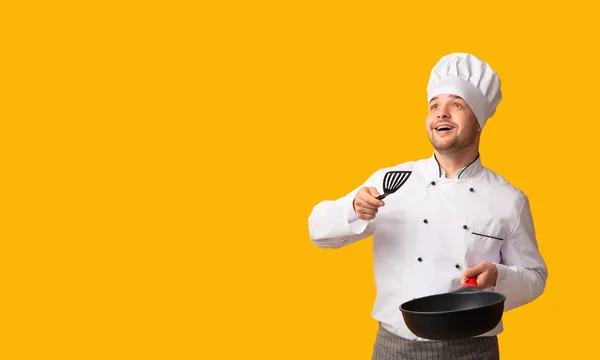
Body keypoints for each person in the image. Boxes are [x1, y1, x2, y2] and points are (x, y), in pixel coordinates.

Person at [307, 53, 548, 359]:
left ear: (479, 122)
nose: (442, 113)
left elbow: (535, 277)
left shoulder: (509, 200)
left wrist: (498, 275)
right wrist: (353, 210)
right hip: (394, 346)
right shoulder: (391, 181)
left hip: (470, 349)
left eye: (456, 105)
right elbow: (317, 231)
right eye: (434, 106)